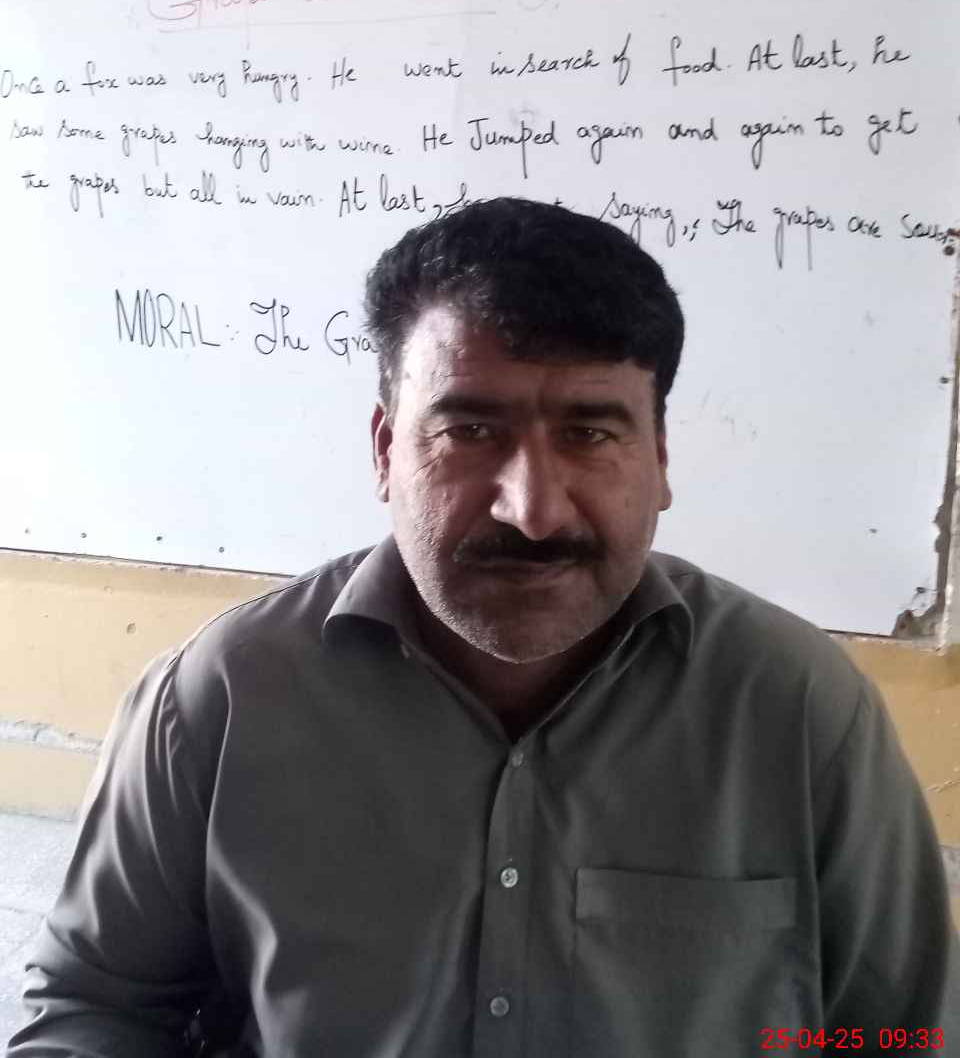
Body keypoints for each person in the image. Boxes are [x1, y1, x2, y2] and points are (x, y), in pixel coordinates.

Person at [7, 197, 958, 1057]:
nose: (532, 510)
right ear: (386, 449)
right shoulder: (221, 696)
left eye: (590, 432)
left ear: (661, 458)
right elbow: (96, 1008)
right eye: (469, 431)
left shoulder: (799, 709)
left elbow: (902, 1035)